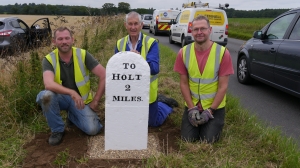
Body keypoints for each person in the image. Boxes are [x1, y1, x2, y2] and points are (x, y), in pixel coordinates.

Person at [36, 27, 106, 146]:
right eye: (60, 39)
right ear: (54, 41)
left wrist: (96, 101)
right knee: (46, 96)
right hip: (61, 98)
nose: (64, 42)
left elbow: (104, 75)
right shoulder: (49, 59)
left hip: (80, 102)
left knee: (93, 129)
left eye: (67, 38)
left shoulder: (82, 54)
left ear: (72, 39)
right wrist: (71, 93)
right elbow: (48, 84)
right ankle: (57, 130)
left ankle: (72, 116)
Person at [173, 15, 234, 143]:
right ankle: (195, 120)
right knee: (187, 139)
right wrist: (191, 108)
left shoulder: (223, 53)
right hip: (193, 105)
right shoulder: (184, 52)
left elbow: (223, 87)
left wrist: (210, 111)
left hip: (213, 107)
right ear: (191, 31)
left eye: (203, 29)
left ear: (209, 30)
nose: (199, 32)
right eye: (196, 29)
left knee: (207, 140)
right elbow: (183, 83)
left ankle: (211, 124)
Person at [115, 11, 178, 127]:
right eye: (130, 24)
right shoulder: (120, 43)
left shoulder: (151, 43)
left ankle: (164, 104)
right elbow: (115, 69)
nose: (133, 27)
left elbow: (154, 68)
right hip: (127, 92)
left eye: (136, 24)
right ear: (125, 25)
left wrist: (137, 60)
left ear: (141, 25)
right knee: (128, 121)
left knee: (152, 123)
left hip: (146, 93)